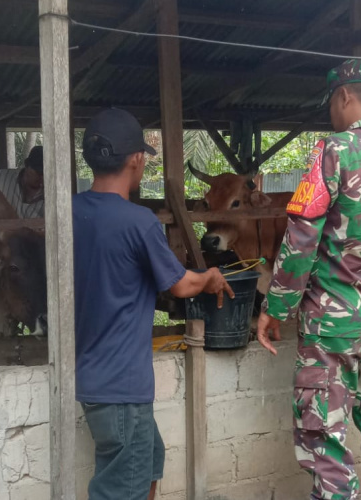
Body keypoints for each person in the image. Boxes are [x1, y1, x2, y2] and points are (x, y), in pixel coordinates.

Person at [256, 60, 361, 500]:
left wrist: (275, 308)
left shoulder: (332, 151)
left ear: (344, 96)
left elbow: (300, 240)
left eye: (332, 103)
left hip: (334, 324)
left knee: (325, 439)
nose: (331, 113)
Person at [72, 108, 235, 500]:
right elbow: (180, 285)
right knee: (120, 490)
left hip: (94, 379)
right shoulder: (137, 221)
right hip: (122, 386)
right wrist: (210, 276)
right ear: (135, 159)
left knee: (150, 460)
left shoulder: (72, 212)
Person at [0, 145, 45, 218]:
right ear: (27, 166)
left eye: (45, 174)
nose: (42, 177)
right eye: (39, 173)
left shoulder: (53, 196)